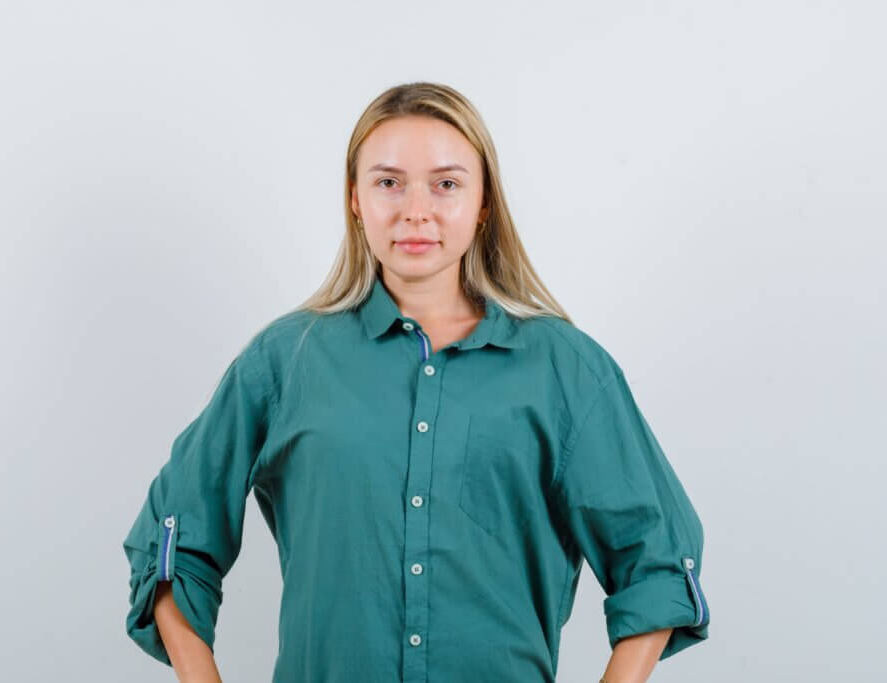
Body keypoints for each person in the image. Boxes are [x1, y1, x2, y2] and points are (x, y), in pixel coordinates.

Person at [121, 81, 710, 683]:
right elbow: (174, 538)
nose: (415, 210)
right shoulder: (284, 360)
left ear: (484, 203)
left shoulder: (566, 369)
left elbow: (658, 561)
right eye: (388, 182)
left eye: (447, 183)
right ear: (355, 198)